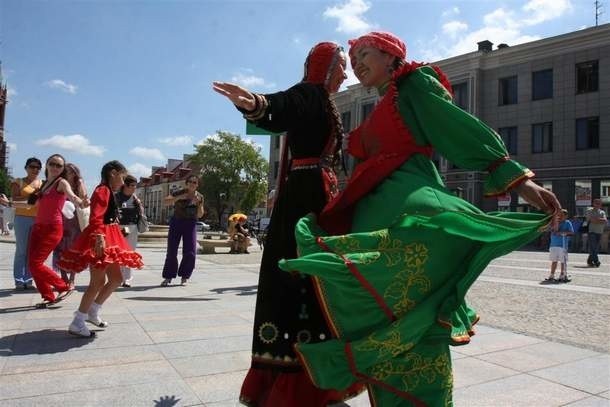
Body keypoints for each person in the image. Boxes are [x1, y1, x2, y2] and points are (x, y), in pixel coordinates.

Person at [278, 32, 562, 406]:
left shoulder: (413, 84)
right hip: (376, 211)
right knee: (386, 313)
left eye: (365, 54)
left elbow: (454, 127)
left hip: (407, 211)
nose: (358, 63)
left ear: (391, 56)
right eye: (353, 57)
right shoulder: (384, 102)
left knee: (411, 312)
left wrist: (520, 181)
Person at [214, 42, 363, 406]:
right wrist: (255, 104)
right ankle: (298, 377)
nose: (346, 73)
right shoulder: (309, 93)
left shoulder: (324, 100)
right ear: (325, 69)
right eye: (341, 66)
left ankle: (320, 372)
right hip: (304, 201)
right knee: (302, 281)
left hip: (317, 196)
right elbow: (282, 106)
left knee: (320, 282)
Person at [59, 160, 143, 337]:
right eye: (122, 176)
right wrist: (99, 237)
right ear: (113, 173)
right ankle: (78, 321)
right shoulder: (103, 190)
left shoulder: (107, 191)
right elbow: (96, 216)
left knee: (116, 278)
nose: (123, 181)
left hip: (108, 235)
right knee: (97, 282)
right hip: (102, 237)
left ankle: (93, 310)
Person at [26, 154, 88, 304]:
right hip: (37, 228)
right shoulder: (43, 184)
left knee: (36, 263)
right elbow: (31, 205)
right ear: (47, 165)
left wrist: (81, 202)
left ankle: (63, 286)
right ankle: (48, 296)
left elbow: (73, 196)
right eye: (52, 164)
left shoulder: (62, 183)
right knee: (31, 264)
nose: (55, 167)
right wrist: (9, 203)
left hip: (53, 228)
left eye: (59, 166)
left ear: (62, 169)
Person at [160, 174, 203, 286]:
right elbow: (165, 202)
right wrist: (179, 197)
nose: (193, 184)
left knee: (191, 251)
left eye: (195, 182)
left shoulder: (200, 197)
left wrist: (198, 204)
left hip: (190, 224)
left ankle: (185, 276)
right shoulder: (179, 192)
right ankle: (168, 277)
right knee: (172, 250)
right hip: (177, 222)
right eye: (191, 182)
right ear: (187, 183)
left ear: (197, 185)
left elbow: (200, 214)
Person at [52, 163, 88, 289]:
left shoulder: (78, 185)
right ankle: (63, 277)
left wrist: (81, 181)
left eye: (73, 172)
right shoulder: (60, 184)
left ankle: (72, 279)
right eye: (68, 171)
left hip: (75, 223)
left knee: (74, 251)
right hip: (61, 221)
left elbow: (83, 198)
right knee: (59, 250)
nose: (71, 174)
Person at [9, 157, 43, 290]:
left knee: (32, 251)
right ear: (26, 168)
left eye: (37, 168)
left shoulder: (42, 183)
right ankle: (18, 279)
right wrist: (32, 196)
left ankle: (29, 279)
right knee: (21, 250)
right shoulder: (18, 182)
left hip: (37, 218)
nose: (35, 170)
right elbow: (14, 198)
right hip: (22, 217)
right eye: (32, 167)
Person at [116, 174, 143, 287]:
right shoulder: (117, 196)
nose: (134, 188)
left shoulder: (135, 198)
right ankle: (118, 277)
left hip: (132, 227)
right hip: (119, 227)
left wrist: (139, 204)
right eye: (132, 185)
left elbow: (141, 213)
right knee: (119, 252)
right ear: (125, 185)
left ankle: (127, 278)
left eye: (135, 186)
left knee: (130, 252)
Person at [546, 209, 574, 283]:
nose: (560, 216)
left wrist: (563, 232)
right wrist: (557, 223)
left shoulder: (568, 223)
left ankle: (562, 275)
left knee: (563, 261)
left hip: (562, 245)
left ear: (566, 216)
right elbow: (553, 230)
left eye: (562, 215)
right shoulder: (554, 222)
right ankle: (552, 275)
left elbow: (571, 232)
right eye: (559, 215)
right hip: (553, 245)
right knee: (554, 261)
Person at [585, 198, 607, 267]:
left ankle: (589, 260)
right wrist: (600, 220)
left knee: (595, 247)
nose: (597, 205)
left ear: (600, 204)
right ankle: (596, 261)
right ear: (593, 204)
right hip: (592, 231)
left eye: (599, 203)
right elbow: (590, 219)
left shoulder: (602, 212)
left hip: (599, 231)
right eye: (596, 203)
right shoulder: (589, 210)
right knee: (593, 246)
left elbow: (605, 221)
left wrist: (596, 219)